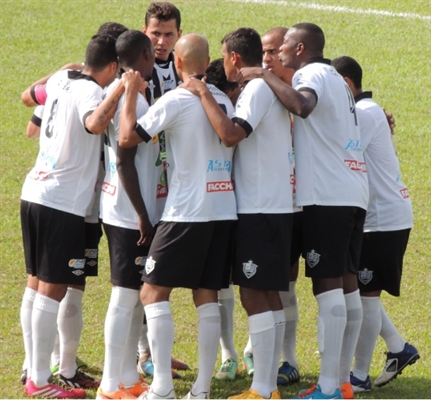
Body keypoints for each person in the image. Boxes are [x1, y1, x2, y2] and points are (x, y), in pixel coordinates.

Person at [237, 23, 369, 399]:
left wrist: (263, 75)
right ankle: (341, 382)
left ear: (299, 49)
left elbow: (303, 106)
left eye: (283, 49)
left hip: (328, 196)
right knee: (344, 285)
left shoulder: (311, 73)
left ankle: (329, 388)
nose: (276, 55)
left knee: (328, 288)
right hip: (352, 191)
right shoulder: (337, 80)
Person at [119, 33, 237, 400]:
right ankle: (201, 390)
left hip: (187, 212)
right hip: (223, 210)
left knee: (152, 293)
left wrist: (129, 94)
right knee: (207, 296)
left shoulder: (177, 100)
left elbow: (126, 137)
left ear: (179, 64)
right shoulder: (224, 102)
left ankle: (163, 388)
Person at [181, 27, 295, 400]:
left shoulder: (259, 89)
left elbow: (231, 135)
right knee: (268, 293)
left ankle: (262, 389)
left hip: (259, 207)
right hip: (274, 205)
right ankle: (269, 383)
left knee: (253, 296)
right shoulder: (268, 87)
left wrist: (201, 92)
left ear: (233, 58)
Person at [19, 22, 129, 390]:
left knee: (38, 284)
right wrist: (117, 94)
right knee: (52, 288)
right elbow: (95, 125)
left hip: (36, 192)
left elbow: (27, 96)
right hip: (62, 203)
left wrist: (61, 75)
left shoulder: (64, 78)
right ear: (114, 66)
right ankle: (38, 378)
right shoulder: (90, 94)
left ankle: (49, 371)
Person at [331, 56, 419, 393]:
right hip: (377, 216)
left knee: (364, 295)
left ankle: (359, 376)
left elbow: (339, 151)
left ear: (347, 83)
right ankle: (398, 348)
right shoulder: (366, 112)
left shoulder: (365, 113)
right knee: (355, 289)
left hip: (382, 220)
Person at [96, 30, 158, 400]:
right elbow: (123, 158)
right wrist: (142, 214)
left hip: (120, 207)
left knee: (134, 295)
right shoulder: (129, 97)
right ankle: (109, 385)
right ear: (147, 55)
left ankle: (126, 380)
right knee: (123, 296)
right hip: (126, 213)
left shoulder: (120, 91)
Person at [138, 2, 189, 378]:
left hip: (176, 183)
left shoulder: (182, 68)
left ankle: (154, 350)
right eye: (155, 33)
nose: (161, 41)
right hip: (143, 182)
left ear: (179, 36)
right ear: (145, 31)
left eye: (168, 34)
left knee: (159, 272)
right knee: (142, 272)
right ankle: (143, 354)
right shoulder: (134, 71)